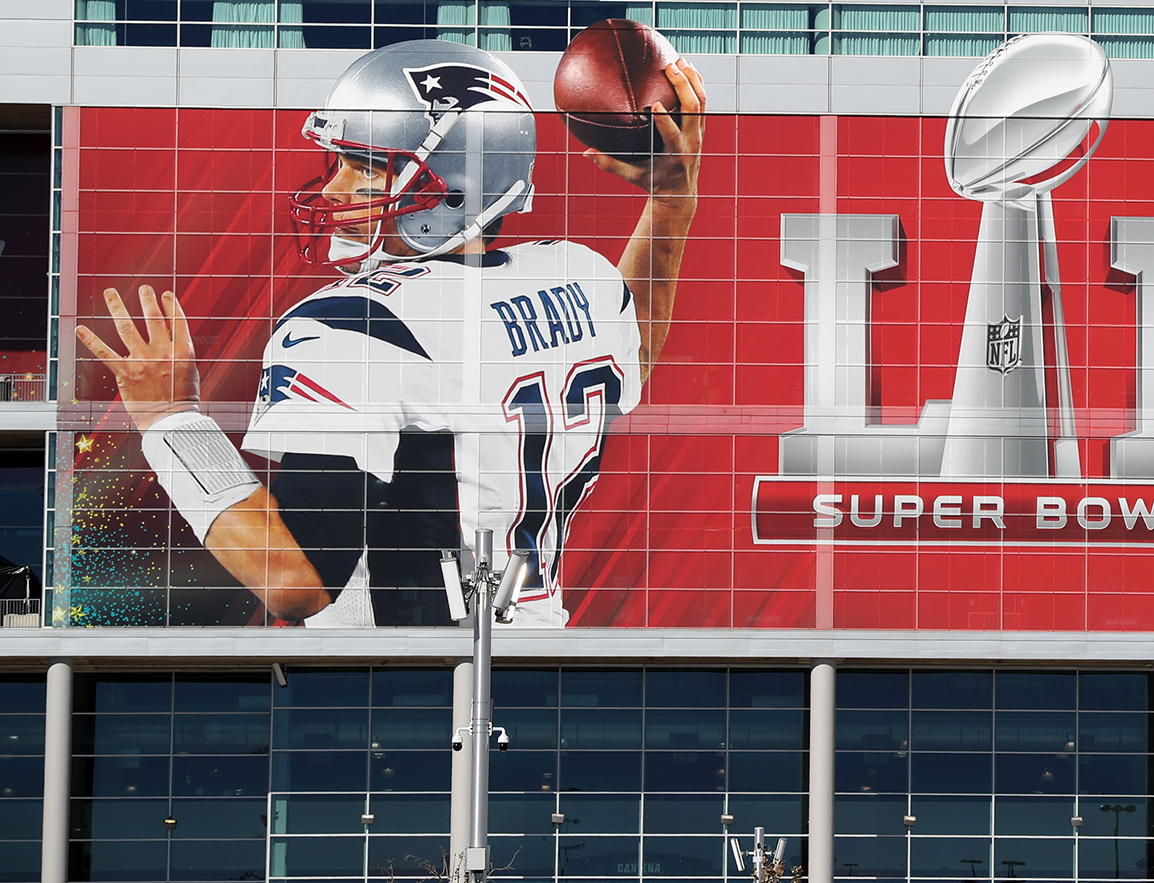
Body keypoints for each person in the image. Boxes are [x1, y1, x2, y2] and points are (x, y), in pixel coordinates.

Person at [76, 38, 705, 627]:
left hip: (403, 690)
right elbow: (635, 348)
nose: (334, 188)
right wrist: (673, 201)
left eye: (367, 168)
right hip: (541, 660)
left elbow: (294, 580)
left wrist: (170, 420)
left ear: (453, 188)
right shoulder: (578, 276)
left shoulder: (351, 325)